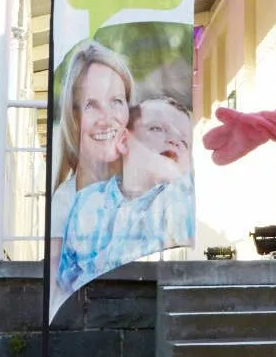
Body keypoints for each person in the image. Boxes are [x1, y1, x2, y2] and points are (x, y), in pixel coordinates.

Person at [58, 94, 196, 295]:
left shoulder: (179, 205)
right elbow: (66, 278)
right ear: (124, 140)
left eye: (184, 141)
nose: (174, 141)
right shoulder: (87, 202)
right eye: (157, 128)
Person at [49, 41, 135, 245]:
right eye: (91, 105)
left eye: (116, 101)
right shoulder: (64, 203)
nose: (106, 118)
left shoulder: (148, 193)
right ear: (74, 117)